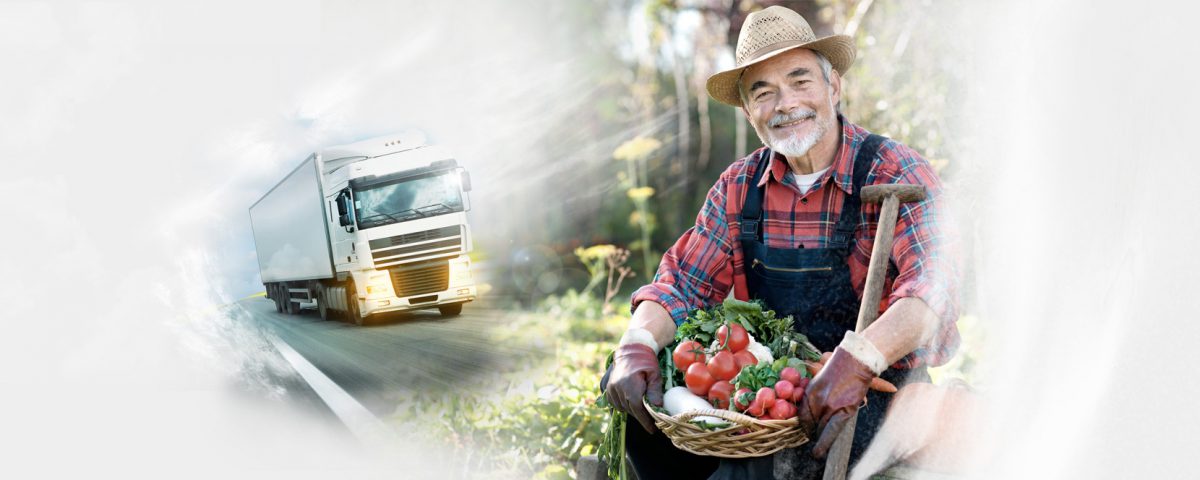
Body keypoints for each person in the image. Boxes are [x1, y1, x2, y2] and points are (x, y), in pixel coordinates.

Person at [601, 5, 960, 479]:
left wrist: (858, 359)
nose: (785, 103)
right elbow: (682, 285)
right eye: (763, 92)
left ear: (833, 87)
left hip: (874, 390)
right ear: (750, 112)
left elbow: (931, 289)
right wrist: (638, 342)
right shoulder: (739, 187)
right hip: (770, 392)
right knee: (647, 432)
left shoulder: (895, 172)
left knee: (776, 469)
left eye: (800, 80)